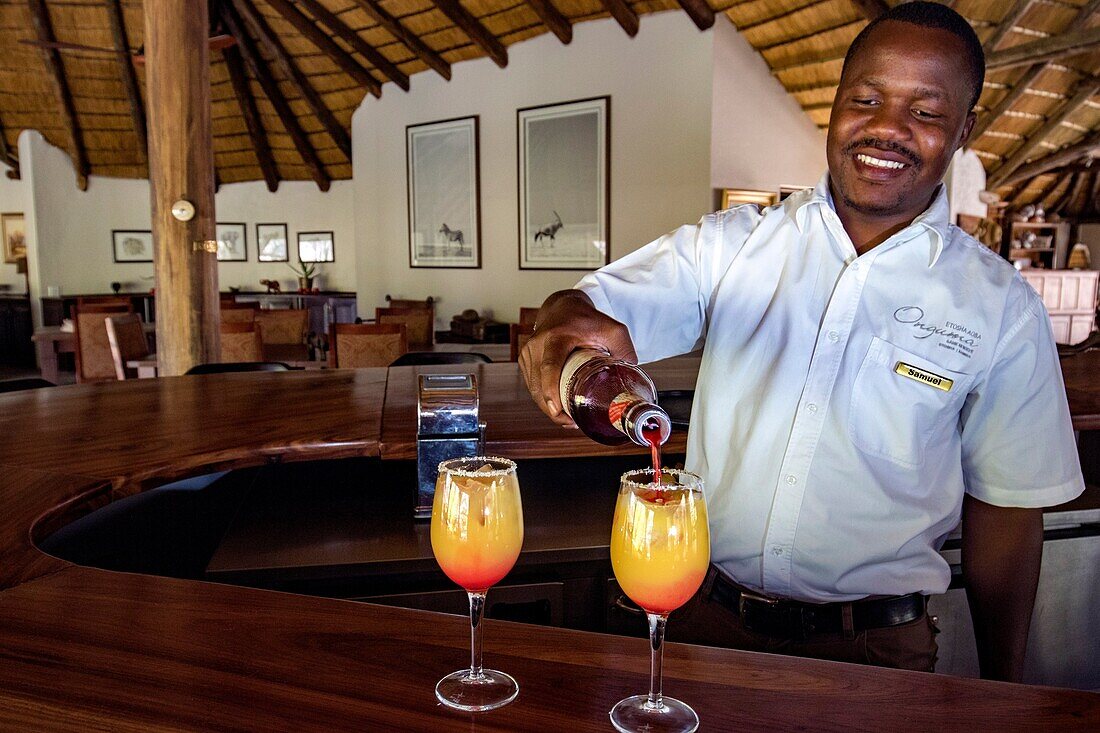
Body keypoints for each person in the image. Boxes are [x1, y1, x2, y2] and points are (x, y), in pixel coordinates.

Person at [519, 2, 1084, 681]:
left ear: (963, 128)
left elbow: (1008, 512)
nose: (886, 127)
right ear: (837, 104)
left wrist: (1004, 690)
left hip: (875, 653)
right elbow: (582, 309)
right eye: (866, 98)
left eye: (925, 112)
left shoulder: (1002, 308)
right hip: (702, 622)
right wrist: (562, 328)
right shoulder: (731, 245)